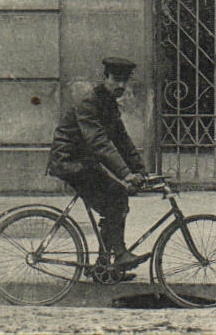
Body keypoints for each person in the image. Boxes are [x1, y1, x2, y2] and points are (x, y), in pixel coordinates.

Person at [46, 56, 149, 275]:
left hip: (84, 162)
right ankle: (117, 255)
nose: (121, 86)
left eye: (125, 81)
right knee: (117, 195)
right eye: (116, 80)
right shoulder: (89, 103)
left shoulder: (108, 104)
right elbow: (98, 142)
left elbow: (122, 140)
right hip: (69, 162)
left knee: (116, 200)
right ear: (105, 78)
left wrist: (141, 170)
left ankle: (105, 267)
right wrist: (125, 174)